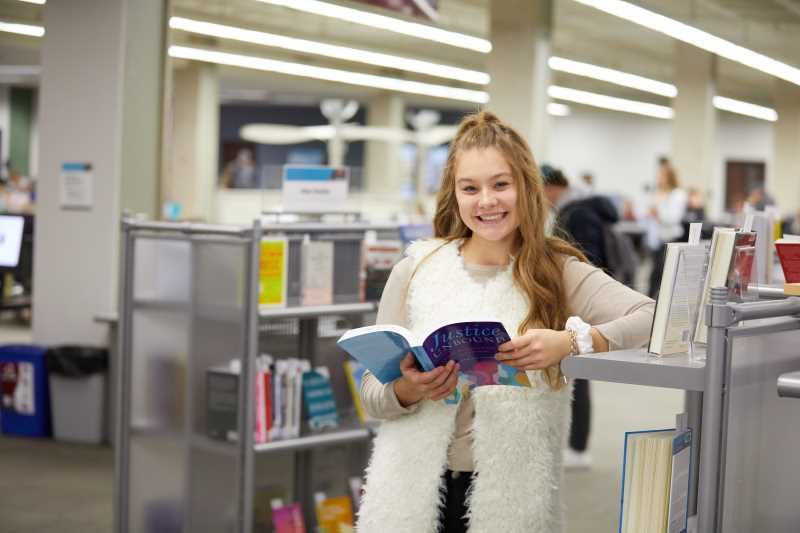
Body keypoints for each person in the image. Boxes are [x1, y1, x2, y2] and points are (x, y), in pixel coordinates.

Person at [356, 111, 654, 533]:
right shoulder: (418, 268)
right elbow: (371, 391)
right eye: (470, 188)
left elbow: (654, 317)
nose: (487, 201)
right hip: (407, 490)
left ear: (525, 188)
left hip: (512, 493)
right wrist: (406, 389)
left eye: (501, 184)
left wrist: (572, 342)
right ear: (454, 195)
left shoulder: (556, 269)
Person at [542, 168, 624, 470]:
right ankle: (575, 446)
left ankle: (578, 447)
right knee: (574, 370)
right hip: (578, 303)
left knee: (578, 371)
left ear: (554, 187)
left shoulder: (577, 213)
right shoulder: (582, 208)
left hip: (579, 305)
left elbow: (587, 259)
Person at [641, 160, 687, 298]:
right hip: (658, 240)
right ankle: (650, 302)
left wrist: (657, 213)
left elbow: (673, 218)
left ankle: (655, 303)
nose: (658, 178)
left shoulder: (678, 194)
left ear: (669, 177)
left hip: (671, 239)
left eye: (661, 175)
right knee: (655, 275)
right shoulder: (660, 193)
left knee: (662, 276)